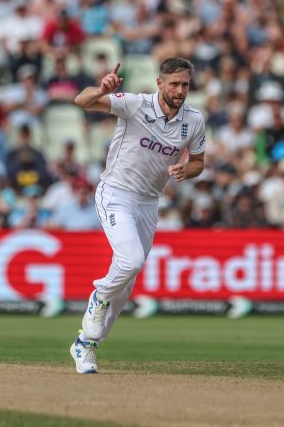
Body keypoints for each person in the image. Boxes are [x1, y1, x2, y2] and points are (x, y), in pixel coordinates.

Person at [69, 57, 206, 374]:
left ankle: (85, 346)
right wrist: (102, 88)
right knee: (130, 261)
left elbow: (199, 161)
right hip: (116, 192)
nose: (180, 90)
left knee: (126, 287)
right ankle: (98, 296)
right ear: (160, 83)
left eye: (185, 84)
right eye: (174, 84)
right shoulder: (135, 104)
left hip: (148, 203)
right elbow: (82, 101)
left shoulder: (194, 121)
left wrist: (188, 170)